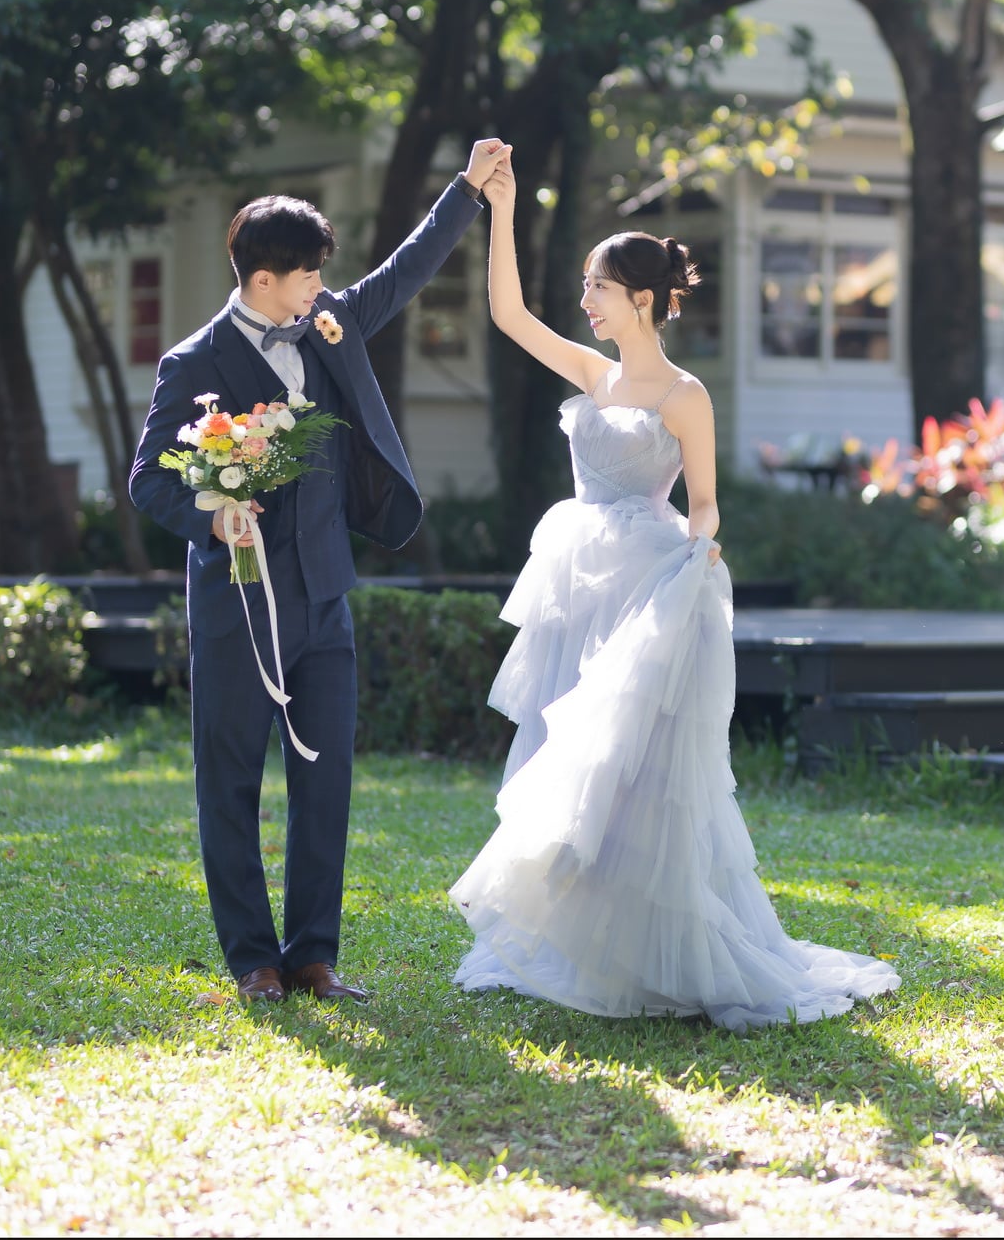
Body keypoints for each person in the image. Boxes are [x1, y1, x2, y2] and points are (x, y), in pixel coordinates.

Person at [451, 146, 899, 1030]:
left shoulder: (684, 394)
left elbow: (704, 507)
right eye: (585, 287)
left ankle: (662, 945)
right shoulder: (593, 371)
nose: (586, 301)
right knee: (565, 753)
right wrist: (500, 205)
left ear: (643, 299)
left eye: (599, 289)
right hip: (579, 578)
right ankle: (581, 933)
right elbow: (508, 314)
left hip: (649, 584)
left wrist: (702, 564)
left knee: (639, 771)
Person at [129, 140, 506, 1004]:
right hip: (236, 603)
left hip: (326, 597)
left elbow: (405, 274)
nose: (318, 288)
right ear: (263, 278)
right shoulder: (193, 363)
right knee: (228, 778)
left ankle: (313, 955)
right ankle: (253, 960)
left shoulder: (331, 324)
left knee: (325, 778)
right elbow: (148, 478)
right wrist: (210, 516)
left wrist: (466, 189)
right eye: (305, 275)